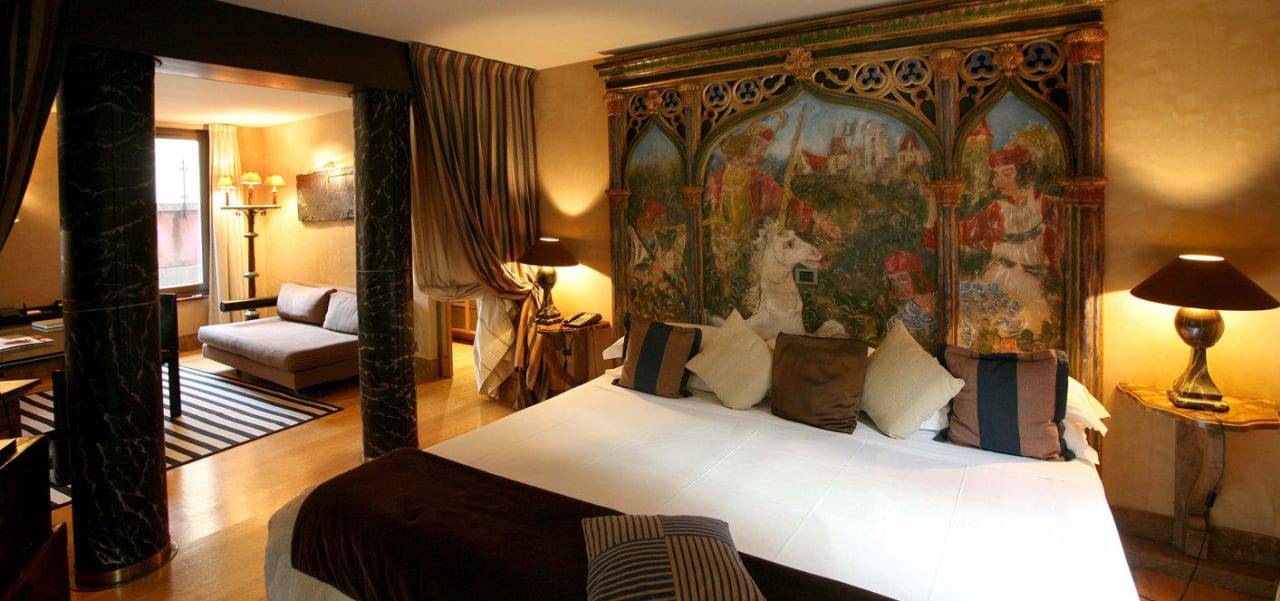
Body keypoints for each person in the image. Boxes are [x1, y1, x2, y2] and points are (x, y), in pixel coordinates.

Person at [927, 146, 1060, 338]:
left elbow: (1060, 254)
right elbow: (960, 232)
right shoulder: (995, 209)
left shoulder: (1050, 206)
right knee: (989, 334)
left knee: (1032, 333)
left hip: (1033, 285)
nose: (997, 182)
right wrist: (933, 208)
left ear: (1024, 173)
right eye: (996, 175)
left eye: (1007, 174)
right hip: (998, 280)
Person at [703, 119, 841, 241]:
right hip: (720, 243)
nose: (760, 152)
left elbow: (785, 198)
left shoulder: (759, 177)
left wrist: (814, 215)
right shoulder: (716, 177)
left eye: (764, 148)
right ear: (744, 142)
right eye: (757, 144)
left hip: (746, 242)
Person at [882, 250, 937, 342]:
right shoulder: (897, 322)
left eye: (903, 279)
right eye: (892, 281)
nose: (897, 287)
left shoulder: (948, 297)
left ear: (917, 278)